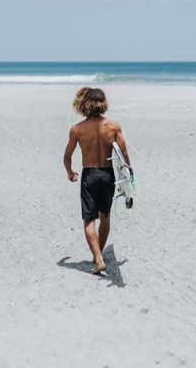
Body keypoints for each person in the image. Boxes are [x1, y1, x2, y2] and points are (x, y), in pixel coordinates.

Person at [63, 87, 131, 274]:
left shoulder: (77, 129)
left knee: (88, 220)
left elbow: (67, 156)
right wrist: (128, 179)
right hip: (108, 175)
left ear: (83, 105)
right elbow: (124, 155)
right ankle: (97, 255)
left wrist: (70, 172)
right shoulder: (113, 126)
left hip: (89, 175)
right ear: (103, 104)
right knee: (105, 216)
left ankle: (98, 259)